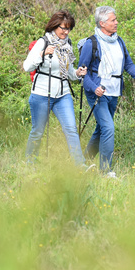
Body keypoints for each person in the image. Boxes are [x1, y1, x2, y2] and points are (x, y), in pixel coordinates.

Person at [78, 5, 135, 177]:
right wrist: (93, 88)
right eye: (113, 20)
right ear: (102, 23)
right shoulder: (91, 43)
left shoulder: (119, 41)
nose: (117, 22)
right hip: (97, 92)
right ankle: (106, 172)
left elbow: (128, 64)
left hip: (114, 92)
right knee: (109, 128)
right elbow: (83, 72)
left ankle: (83, 162)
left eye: (116, 19)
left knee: (102, 128)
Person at [23, 10, 89, 165]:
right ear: (54, 26)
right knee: (38, 131)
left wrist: (78, 73)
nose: (66, 32)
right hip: (41, 93)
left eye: (69, 29)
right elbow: (27, 66)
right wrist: (43, 53)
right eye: (63, 28)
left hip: (63, 94)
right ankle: (29, 163)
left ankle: (80, 165)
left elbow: (68, 72)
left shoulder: (67, 45)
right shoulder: (43, 42)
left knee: (71, 129)